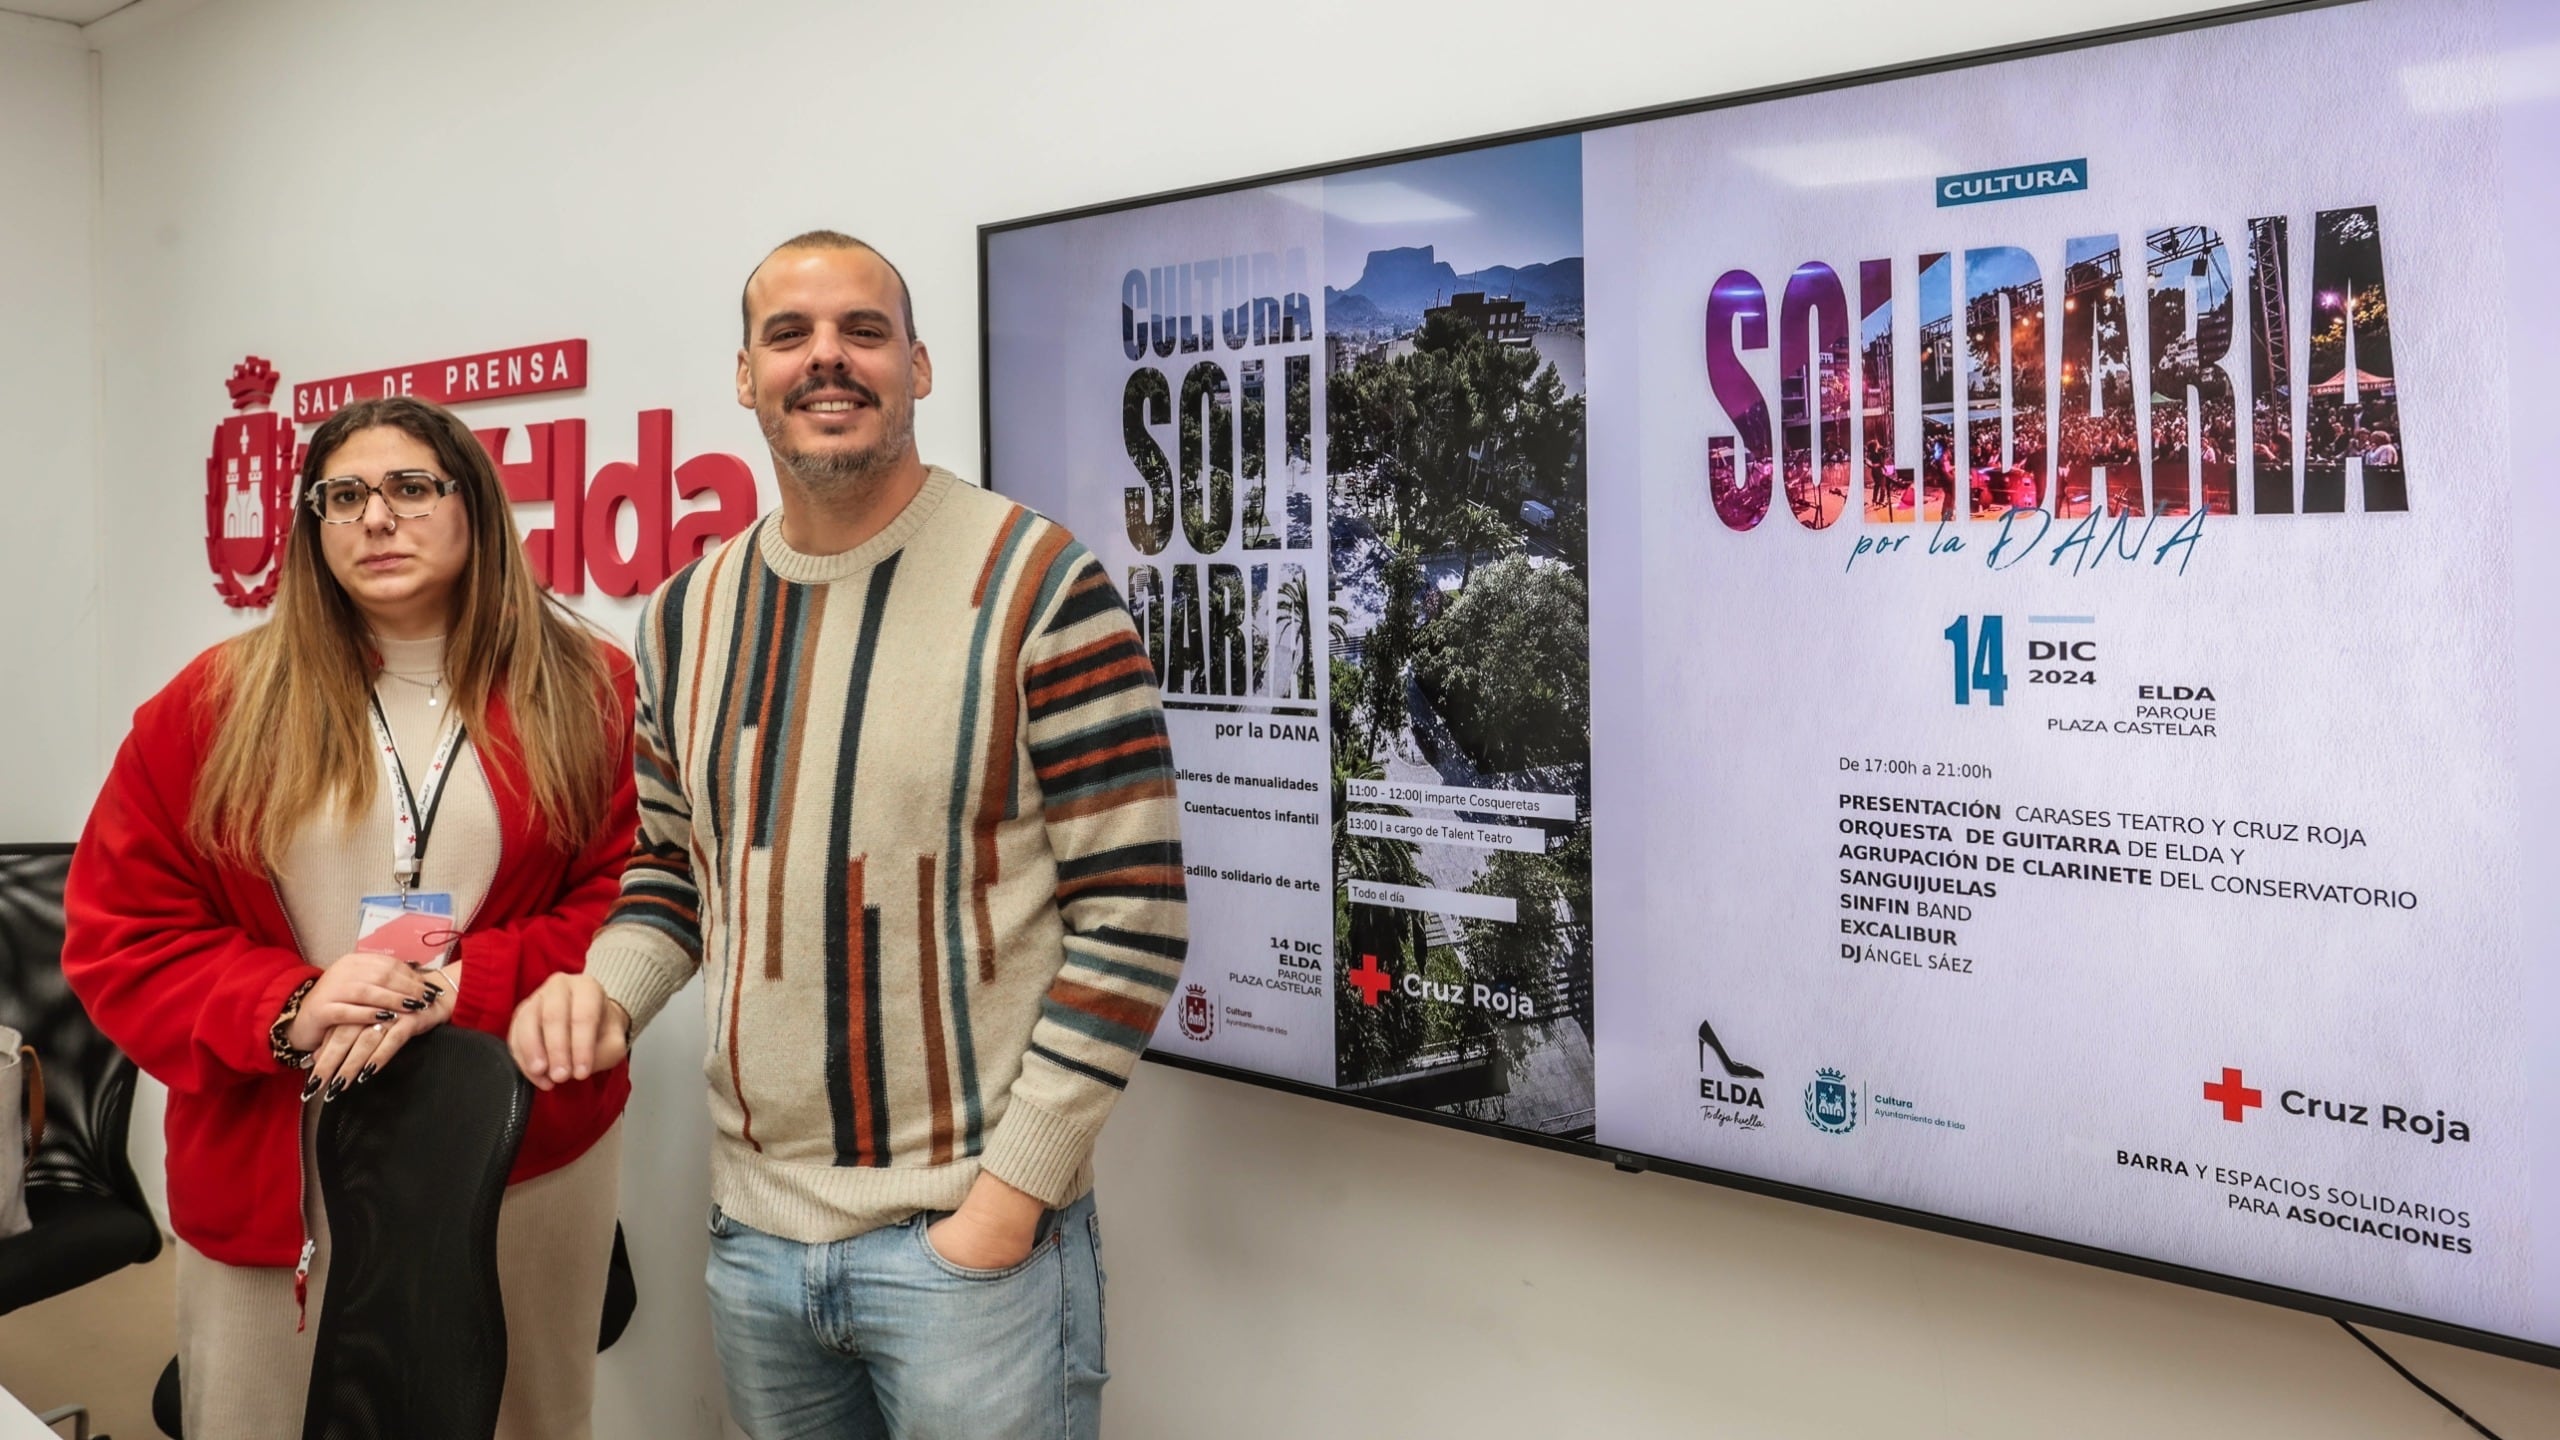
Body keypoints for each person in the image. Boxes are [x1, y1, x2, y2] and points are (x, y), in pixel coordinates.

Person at [509, 230, 1188, 1439]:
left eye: (862, 332)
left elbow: (1131, 922)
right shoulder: (683, 614)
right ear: (744, 376)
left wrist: (1006, 1204)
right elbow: (674, 868)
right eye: (790, 335)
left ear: (918, 367)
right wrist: (605, 994)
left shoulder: (1038, 586)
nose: (827, 360)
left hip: (967, 1250)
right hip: (754, 1243)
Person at [63, 395, 638, 1440]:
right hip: (281, 1154)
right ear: (312, 528)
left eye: (412, 488)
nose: (377, 518)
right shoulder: (214, 704)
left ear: (473, 510)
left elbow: (632, 895)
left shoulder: (587, 689)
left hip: (514, 1151)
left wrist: (470, 985)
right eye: (343, 497)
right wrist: (289, 1003)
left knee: (511, 1417)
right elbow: (122, 932)